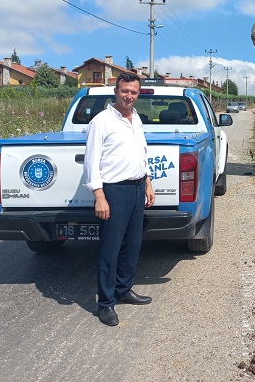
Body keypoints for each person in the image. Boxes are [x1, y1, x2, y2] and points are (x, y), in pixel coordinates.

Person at [84, 72, 156, 326]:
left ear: (138, 94)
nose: (129, 96)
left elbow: (141, 154)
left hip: (137, 190)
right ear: (116, 91)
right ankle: (105, 303)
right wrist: (99, 197)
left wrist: (147, 183)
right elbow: (91, 163)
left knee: (132, 244)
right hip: (114, 192)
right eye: (125, 91)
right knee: (110, 249)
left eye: (134, 92)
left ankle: (124, 290)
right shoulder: (102, 121)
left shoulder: (136, 118)